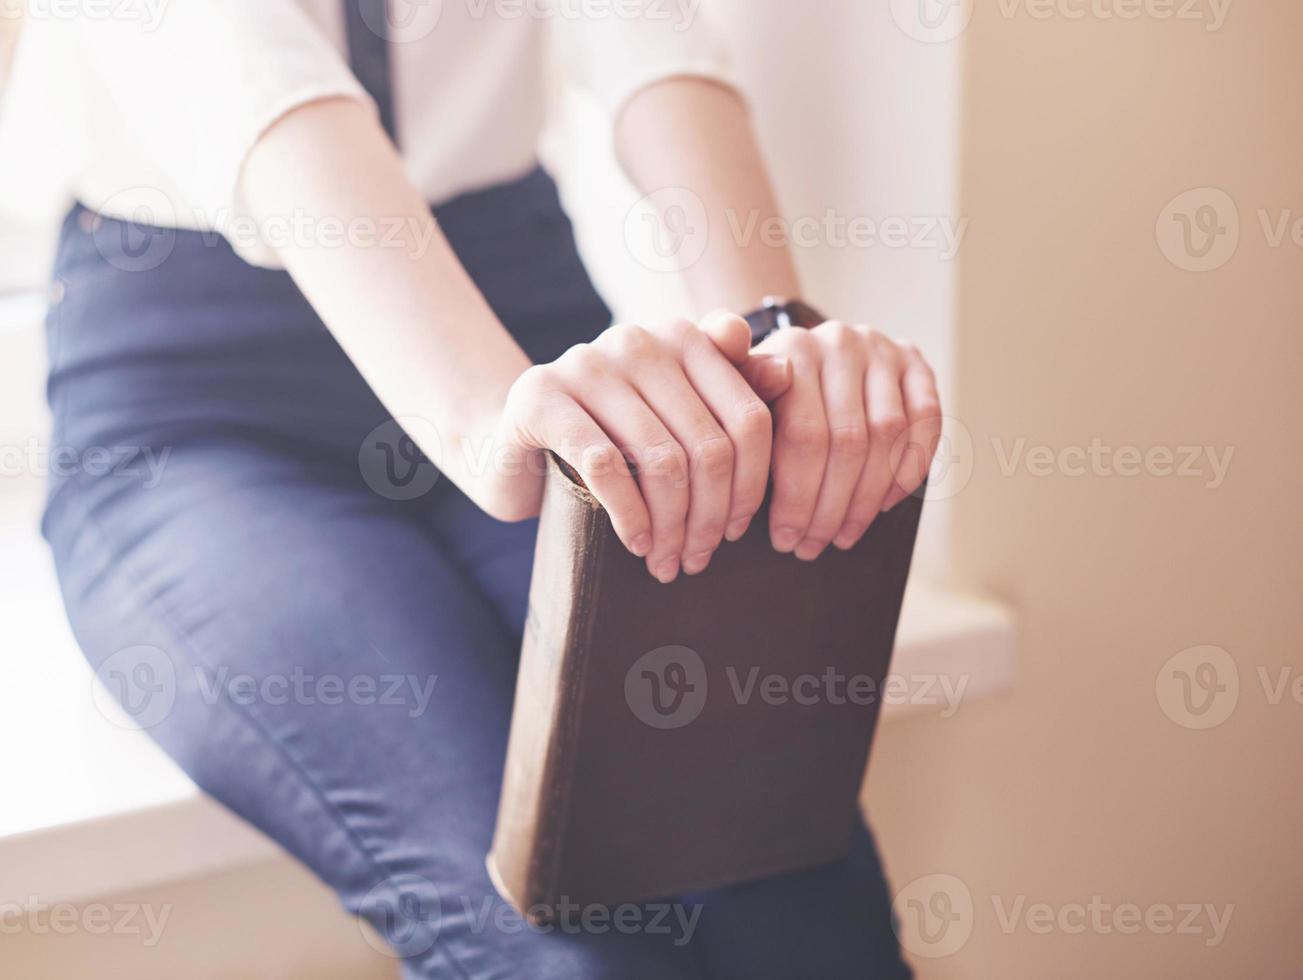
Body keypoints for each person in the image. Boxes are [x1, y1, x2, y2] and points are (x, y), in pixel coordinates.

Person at [27, 3, 940, 976]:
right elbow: (257, 78)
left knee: (792, 897)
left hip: (522, 311)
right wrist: (483, 419)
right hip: (205, 403)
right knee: (563, 952)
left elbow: (652, 43)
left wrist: (774, 345)